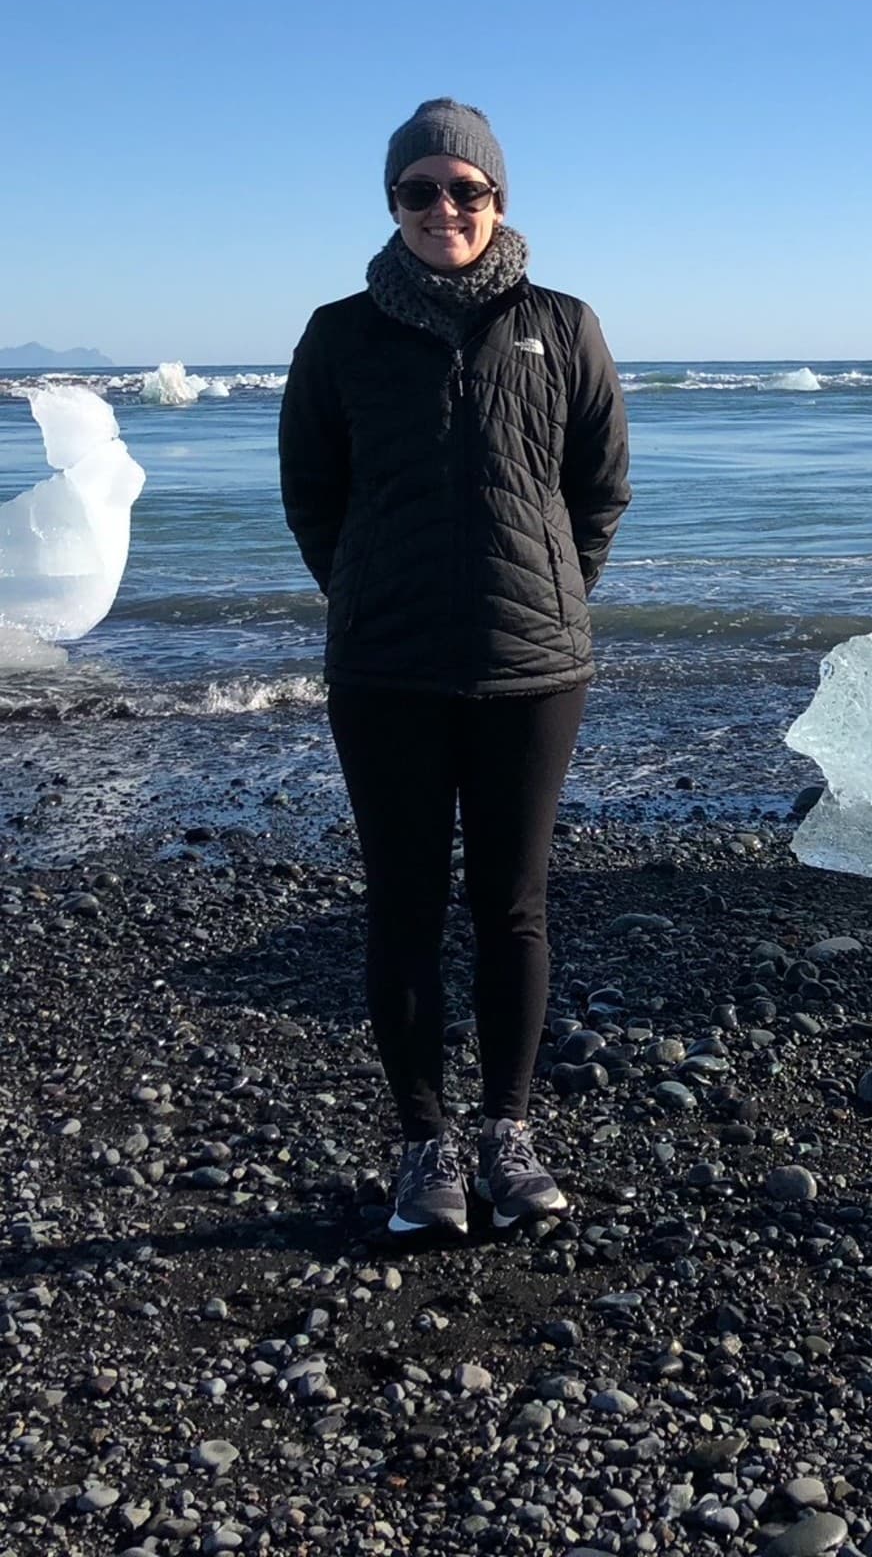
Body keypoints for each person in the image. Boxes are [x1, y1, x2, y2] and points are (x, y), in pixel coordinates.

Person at [279, 99, 631, 1236]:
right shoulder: (339, 335)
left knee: (513, 906)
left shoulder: (563, 324)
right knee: (404, 904)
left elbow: (599, 488)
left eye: (463, 190)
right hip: (385, 668)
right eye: (419, 191)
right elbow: (312, 496)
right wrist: (374, 590)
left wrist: (551, 591)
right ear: (393, 204)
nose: (443, 209)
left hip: (532, 667)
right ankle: (424, 1141)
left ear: (498, 201)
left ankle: (507, 1132)